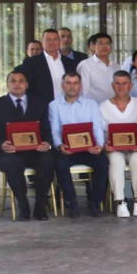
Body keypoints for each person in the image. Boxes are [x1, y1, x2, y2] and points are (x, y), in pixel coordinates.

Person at [0, 70, 55, 221]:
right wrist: (1, 145)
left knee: (47, 161)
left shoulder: (40, 104)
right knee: (13, 164)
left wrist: (47, 143)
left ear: (26, 85)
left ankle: (40, 206)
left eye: (21, 81)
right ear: (7, 84)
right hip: (9, 152)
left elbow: (47, 131)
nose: (17, 84)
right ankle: (23, 205)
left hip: (35, 151)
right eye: (13, 81)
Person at [49, 72, 107, 218]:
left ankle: (95, 202)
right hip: (67, 149)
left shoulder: (91, 104)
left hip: (89, 149)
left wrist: (99, 145)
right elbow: (55, 129)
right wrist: (59, 145)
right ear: (63, 85)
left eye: (75, 83)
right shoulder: (54, 105)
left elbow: (97, 127)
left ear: (80, 86)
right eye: (68, 83)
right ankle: (72, 202)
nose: (72, 86)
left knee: (103, 163)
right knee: (60, 165)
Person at [99, 71, 137, 218]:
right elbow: (98, 131)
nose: (121, 87)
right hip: (113, 149)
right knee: (116, 162)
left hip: (136, 148)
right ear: (112, 86)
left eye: (124, 83)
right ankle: (120, 202)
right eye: (117, 84)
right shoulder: (103, 106)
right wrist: (104, 145)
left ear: (131, 85)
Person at [18, 29, 77, 102]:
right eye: (48, 40)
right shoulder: (31, 63)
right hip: (41, 107)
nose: (52, 42)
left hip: (66, 106)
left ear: (59, 41)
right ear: (42, 42)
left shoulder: (70, 63)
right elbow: (26, 87)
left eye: (55, 39)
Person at [77, 33, 119, 103]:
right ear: (93, 46)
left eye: (107, 44)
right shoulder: (85, 65)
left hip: (114, 106)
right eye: (101, 43)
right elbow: (83, 92)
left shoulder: (116, 66)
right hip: (94, 107)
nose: (105, 46)